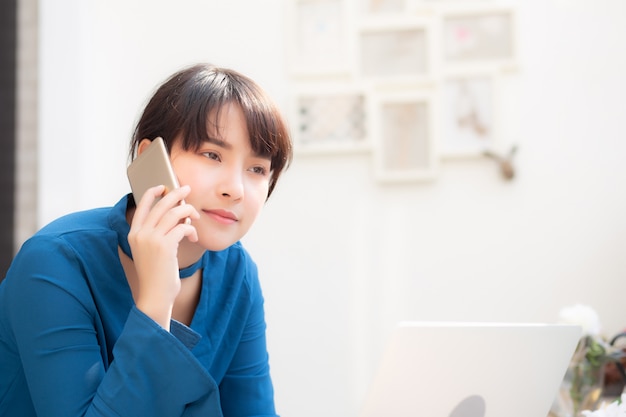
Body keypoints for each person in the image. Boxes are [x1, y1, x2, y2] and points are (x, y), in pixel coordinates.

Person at [0, 63, 292, 417]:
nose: (235, 188)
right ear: (149, 158)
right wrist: (155, 305)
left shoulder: (236, 272)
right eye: (212, 155)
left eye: (257, 169)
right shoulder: (54, 262)